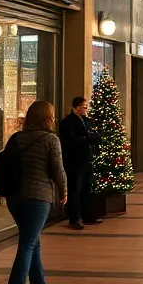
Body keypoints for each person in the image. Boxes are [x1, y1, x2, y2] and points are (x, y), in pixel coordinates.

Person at [2, 100, 67, 284]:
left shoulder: (17, 138)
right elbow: (58, 170)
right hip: (38, 199)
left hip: (14, 198)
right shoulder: (51, 140)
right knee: (27, 245)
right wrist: (64, 191)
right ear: (47, 118)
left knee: (33, 242)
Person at [58, 96, 102, 229]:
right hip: (75, 161)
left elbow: (91, 136)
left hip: (87, 159)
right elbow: (70, 142)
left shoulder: (86, 121)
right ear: (76, 108)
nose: (86, 109)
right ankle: (74, 219)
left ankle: (87, 216)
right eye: (84, 107)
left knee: (87, 189)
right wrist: (87, 139)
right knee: (75, 190)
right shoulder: (67, 122)